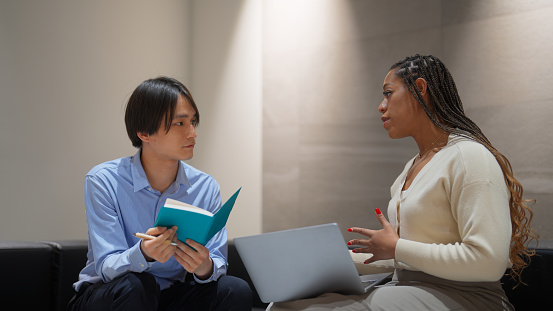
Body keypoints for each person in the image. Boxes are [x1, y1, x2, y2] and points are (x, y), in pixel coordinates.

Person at [268, 55, 537, 311]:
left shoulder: (469, 156)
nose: (381, 106)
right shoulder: (412, 167)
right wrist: (325, 263)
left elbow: (488, 261)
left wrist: (396, 247)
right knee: (282, 303)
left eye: (388, 93)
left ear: (420, 89)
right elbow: (401, 257)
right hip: (408, 287)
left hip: (469, 298)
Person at [68, 76, 252, 311]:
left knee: (235, 290)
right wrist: (144, 253)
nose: (193, 133)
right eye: (180, 123)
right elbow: (106, 267)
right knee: (136, 286)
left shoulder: (205, 187)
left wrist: (203, 267)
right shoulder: (104, 180)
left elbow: (217, 262)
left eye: (193, 122)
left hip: (169, 295)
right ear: (144, 133)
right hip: (108, 294)